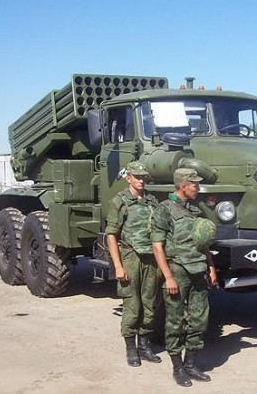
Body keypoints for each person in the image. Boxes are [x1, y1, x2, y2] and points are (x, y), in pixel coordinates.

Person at [151, 168, 218, 387]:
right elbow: (157, 246)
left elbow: (203, 242)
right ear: (182, 186)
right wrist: (168, 277)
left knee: (200, 318)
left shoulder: (195, 208)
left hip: (198, 270)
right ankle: (177, 367)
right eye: (194, 184)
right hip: (177, 270)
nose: (197, 188)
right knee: (175, 320)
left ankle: (191, 364)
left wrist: (211, 267)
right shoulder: (164, 209)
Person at [105, 161, 162, 367]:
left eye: (143, 177)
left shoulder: (152, 201)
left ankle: (144, 345)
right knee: (132, 305)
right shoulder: (120, 201)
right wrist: (118, 266)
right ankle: (131, 348)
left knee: (150, 303)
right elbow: (111, 235)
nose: (141, 180)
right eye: (137, 177)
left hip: (151, 258)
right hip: (131, 257)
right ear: (128, 177)